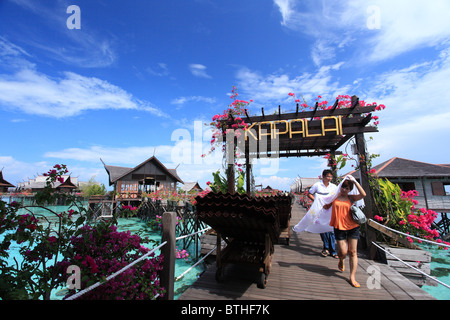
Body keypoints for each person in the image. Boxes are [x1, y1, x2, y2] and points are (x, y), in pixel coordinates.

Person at [325, 175, 366, 288]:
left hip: (353, 226)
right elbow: (326, 206)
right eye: (343, 187)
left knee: (353, 252)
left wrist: (355, 181)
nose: (344, 190)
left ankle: (352, 277)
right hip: (339, 227)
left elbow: (363, 194)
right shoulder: (335, 197)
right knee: (343, 252)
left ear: (350, 190)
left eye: (347, 188)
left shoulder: (351, 198)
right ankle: (341, 260)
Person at [306, 170, 338, 258]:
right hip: (320, 209)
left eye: (331, 177)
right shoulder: (317, 185)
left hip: (330, 209)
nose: (330, 178)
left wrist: (330, 204)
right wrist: (317, 201)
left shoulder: (333, 186)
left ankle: (333, 250)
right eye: (328, 176)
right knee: (322, 228)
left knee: (331, 229)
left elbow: (336, 196)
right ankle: (326, 248)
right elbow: (309, 194)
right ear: (323, 176)